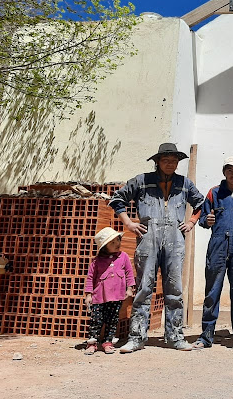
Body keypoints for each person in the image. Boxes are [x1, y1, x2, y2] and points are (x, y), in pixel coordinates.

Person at [109, 143, 204, 352]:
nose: (170, 164)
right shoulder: (142, 181)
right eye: (166, 160)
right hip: (147, 236)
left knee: (174, 289)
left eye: (174, 161)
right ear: (157, 162)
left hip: (175, 238)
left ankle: (175, 336)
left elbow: (201, 204)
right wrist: (129, 223)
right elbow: (117, 199)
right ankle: (136, 337)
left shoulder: (184, 183)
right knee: (144, 287)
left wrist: (191, 222)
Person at [194, 156, 233, 350]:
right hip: (218, 246)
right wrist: (207, 220)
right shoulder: (214, 193)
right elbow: (203, 218)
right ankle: (206, 337)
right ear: (224, 172)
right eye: (229, 169)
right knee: (212, 292)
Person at [84, 227, 135, 355]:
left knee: (112, 320)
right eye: (112, 243)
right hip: (99, 297)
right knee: (96, 320)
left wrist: (129, 289)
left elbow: (129, 273)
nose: (117, 244)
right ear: (104, 247)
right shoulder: (96, 261)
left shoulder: (123, 257)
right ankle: (92, 344)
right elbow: (90, 278)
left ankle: (108, 342)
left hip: (117, 297)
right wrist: (88, 295)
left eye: (117, 240)